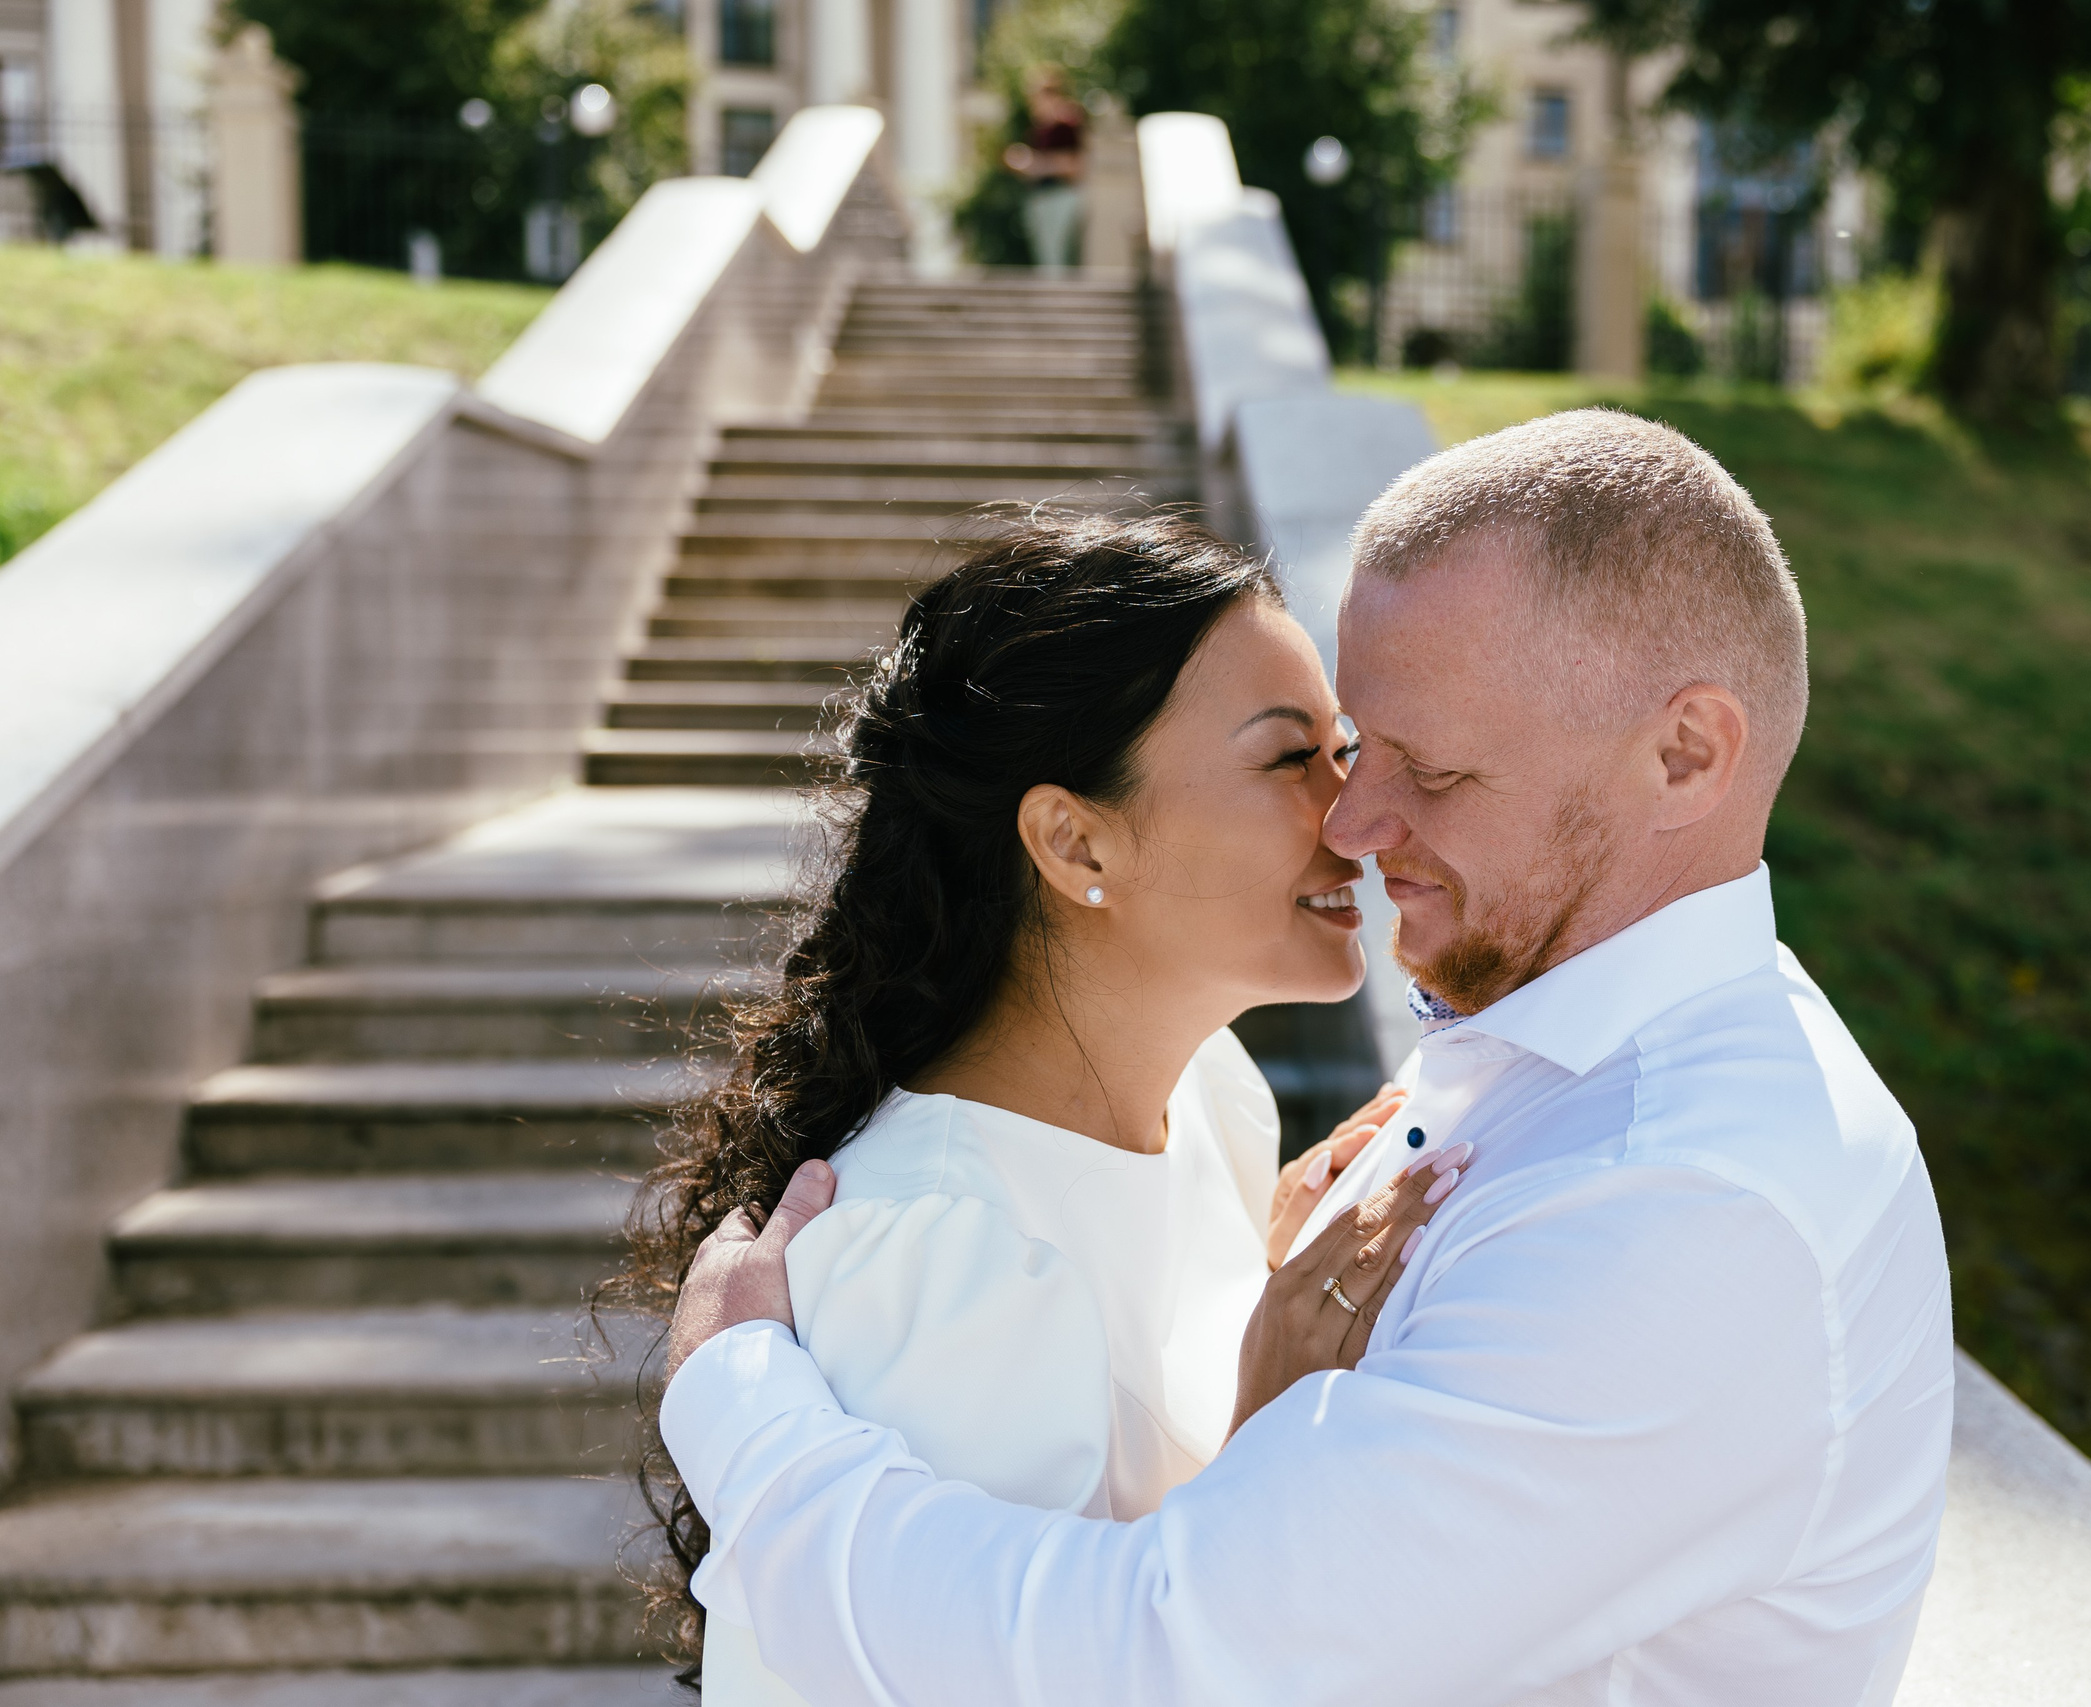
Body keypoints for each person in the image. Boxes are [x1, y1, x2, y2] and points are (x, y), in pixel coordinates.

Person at [663, 410, 1957, 1705]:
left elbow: (1173, 1657)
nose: (1354, 818)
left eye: (1426, 768)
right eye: (1332, 750)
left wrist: (737, 1407)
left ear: (1684, 754)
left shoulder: (1683, 1195)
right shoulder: (1498, 1084)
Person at [613, 515, 1464, 1701]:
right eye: (1289, 759)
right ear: (1073, 840)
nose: (1357, 808)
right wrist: (1273, 1423)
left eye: (1346, 746)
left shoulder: (1215, 1101)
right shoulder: (947, 1250)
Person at [1004, 68, 1086, 274]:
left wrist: (1035, 164)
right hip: (1040, 196)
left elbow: (1075, 165)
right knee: (1046, 259)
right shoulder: (1039, 129)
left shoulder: (1065, 125)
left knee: (1057, 259)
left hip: (1060, 195)